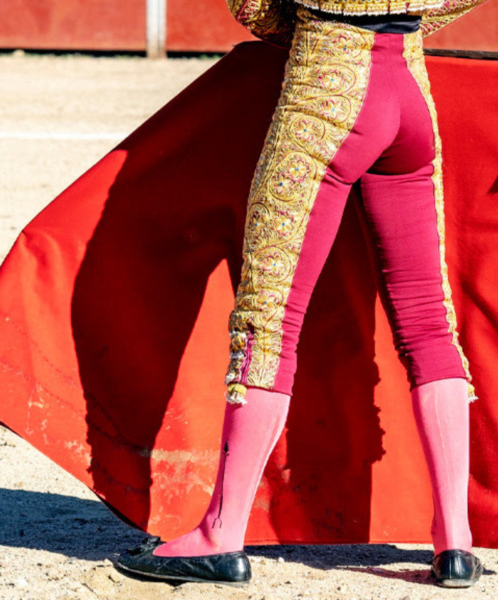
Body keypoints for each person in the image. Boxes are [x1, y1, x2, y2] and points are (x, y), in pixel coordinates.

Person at [115, 0, 490, 588]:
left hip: (325, 93)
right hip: (410, 92)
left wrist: (305, 27)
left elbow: (250, 4)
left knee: (269, 314)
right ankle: (455, 544)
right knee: (427, 319)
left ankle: (220, 534)